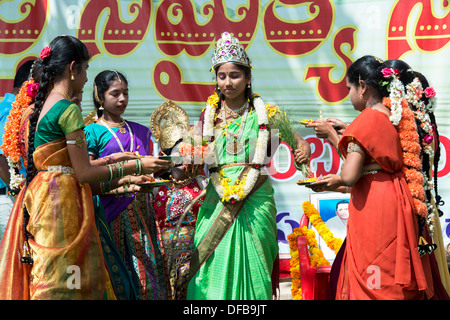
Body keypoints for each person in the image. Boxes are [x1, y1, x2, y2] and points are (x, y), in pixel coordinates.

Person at [0, 35, 171, 300]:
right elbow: (83, 173)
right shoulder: (68, 110)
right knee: (70, 283)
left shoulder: (34, 110)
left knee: (49, 278)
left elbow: (60, 162)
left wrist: (110, 160)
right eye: (86, 69)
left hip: (41, 199)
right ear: (73, 68)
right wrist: (136, 164)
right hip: (64, 206)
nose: (86, 78)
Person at [186, 32, 311, 300]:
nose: (228, 82)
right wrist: (186, 156)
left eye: (235, 75)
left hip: (257, 199)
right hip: (217, 199)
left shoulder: (268, 115)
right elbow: (196, 159)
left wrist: (305, 149)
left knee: (256, 267)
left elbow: (298, 142)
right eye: (222, 76)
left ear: (248, 77)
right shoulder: (208, 116)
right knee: (209, 265)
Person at [308, 55, 434, 299]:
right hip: (397, 198)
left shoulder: (365, 119)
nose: (348, 95)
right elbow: (371, 160)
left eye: (349, 89)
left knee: (372, 275)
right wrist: (347, 133)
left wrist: (335, 140)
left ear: (363, 86)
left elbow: (349, 175)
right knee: (389, 271)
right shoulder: (393, 115)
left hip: (374, 206)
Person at [84, 70, 168, 300]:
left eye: (125, 93)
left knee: (148, 276)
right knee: (117, 275)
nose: (122, 99)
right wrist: (126, 180)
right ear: (100, 97)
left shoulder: (141, 131)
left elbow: (154, 169)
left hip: (143, 212)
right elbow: (89, 174)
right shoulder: (91, 132)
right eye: (115, 94)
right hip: (109, 212)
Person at [149, 101, 207, 300]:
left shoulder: (202, 184)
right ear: (166, 157)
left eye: (188, 153)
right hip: (162, 253)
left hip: (196, 252)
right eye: (179, 154)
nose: (185, 159)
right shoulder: (155, 186)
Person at [0, 60, 34, 242]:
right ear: (29, 83)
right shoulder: (10, 111)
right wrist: (19, 195)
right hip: (9, 199)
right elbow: (1, 159)